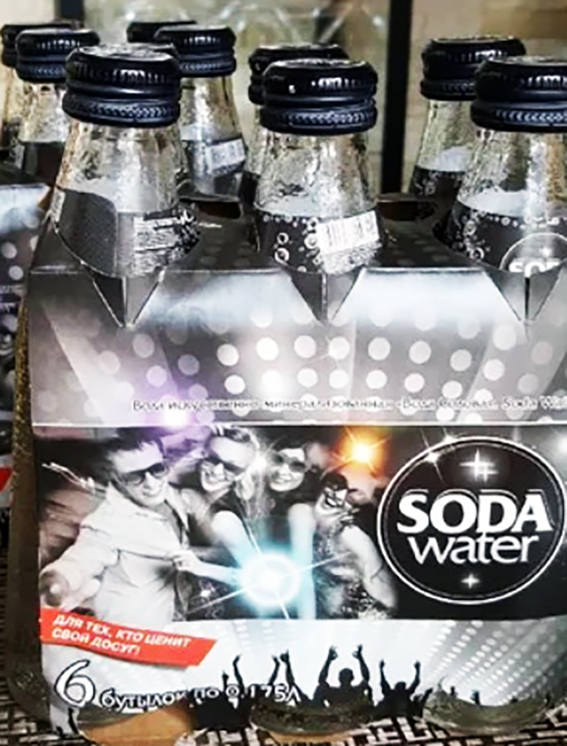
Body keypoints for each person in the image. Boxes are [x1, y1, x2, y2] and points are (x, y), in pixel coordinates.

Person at [39, 429, 238, 628]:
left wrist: (205, 429)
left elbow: (184, 454)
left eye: (157, 469)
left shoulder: (171, 493)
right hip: (133, 633)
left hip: (176, 622)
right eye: (134, 477)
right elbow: (83, 558)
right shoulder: (105, 523)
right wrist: (59, 580)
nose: (151, 484)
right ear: (116, 479)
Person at [312, 472, 396, 618]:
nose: (338, 495)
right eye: (336, 483)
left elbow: (382, 590)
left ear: (355, 509)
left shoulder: (350, 534)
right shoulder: (309, 518)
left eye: (351, 495)